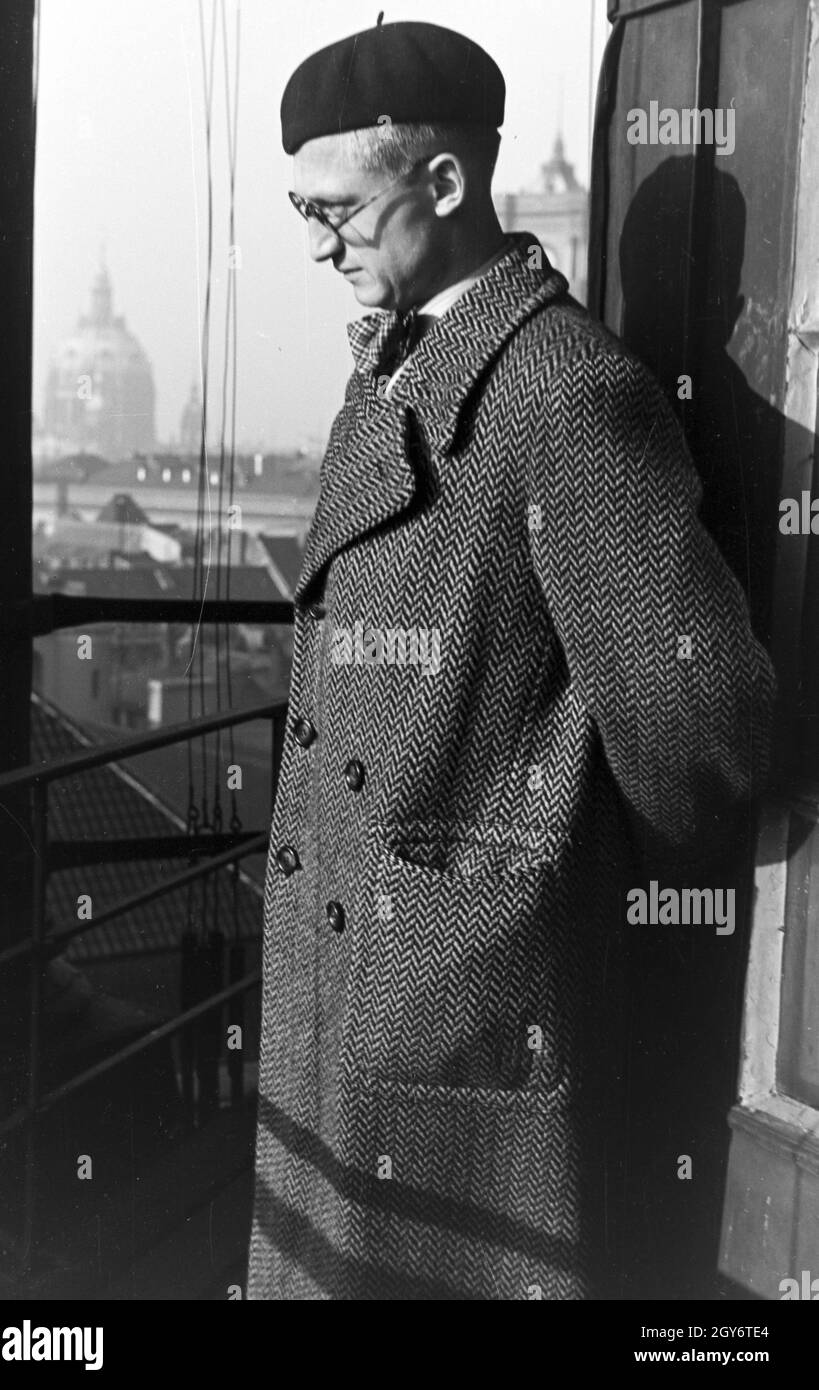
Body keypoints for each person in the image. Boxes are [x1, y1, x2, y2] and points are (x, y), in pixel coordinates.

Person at [246, 17, 776, 1300]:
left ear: (444, 183)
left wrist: (526, 876)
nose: (319, 244)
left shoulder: (562, 392)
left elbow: (702, 737)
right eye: (303, 210)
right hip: (362, 998)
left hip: (453, 1020)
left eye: (341, 212)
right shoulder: (403, 367)